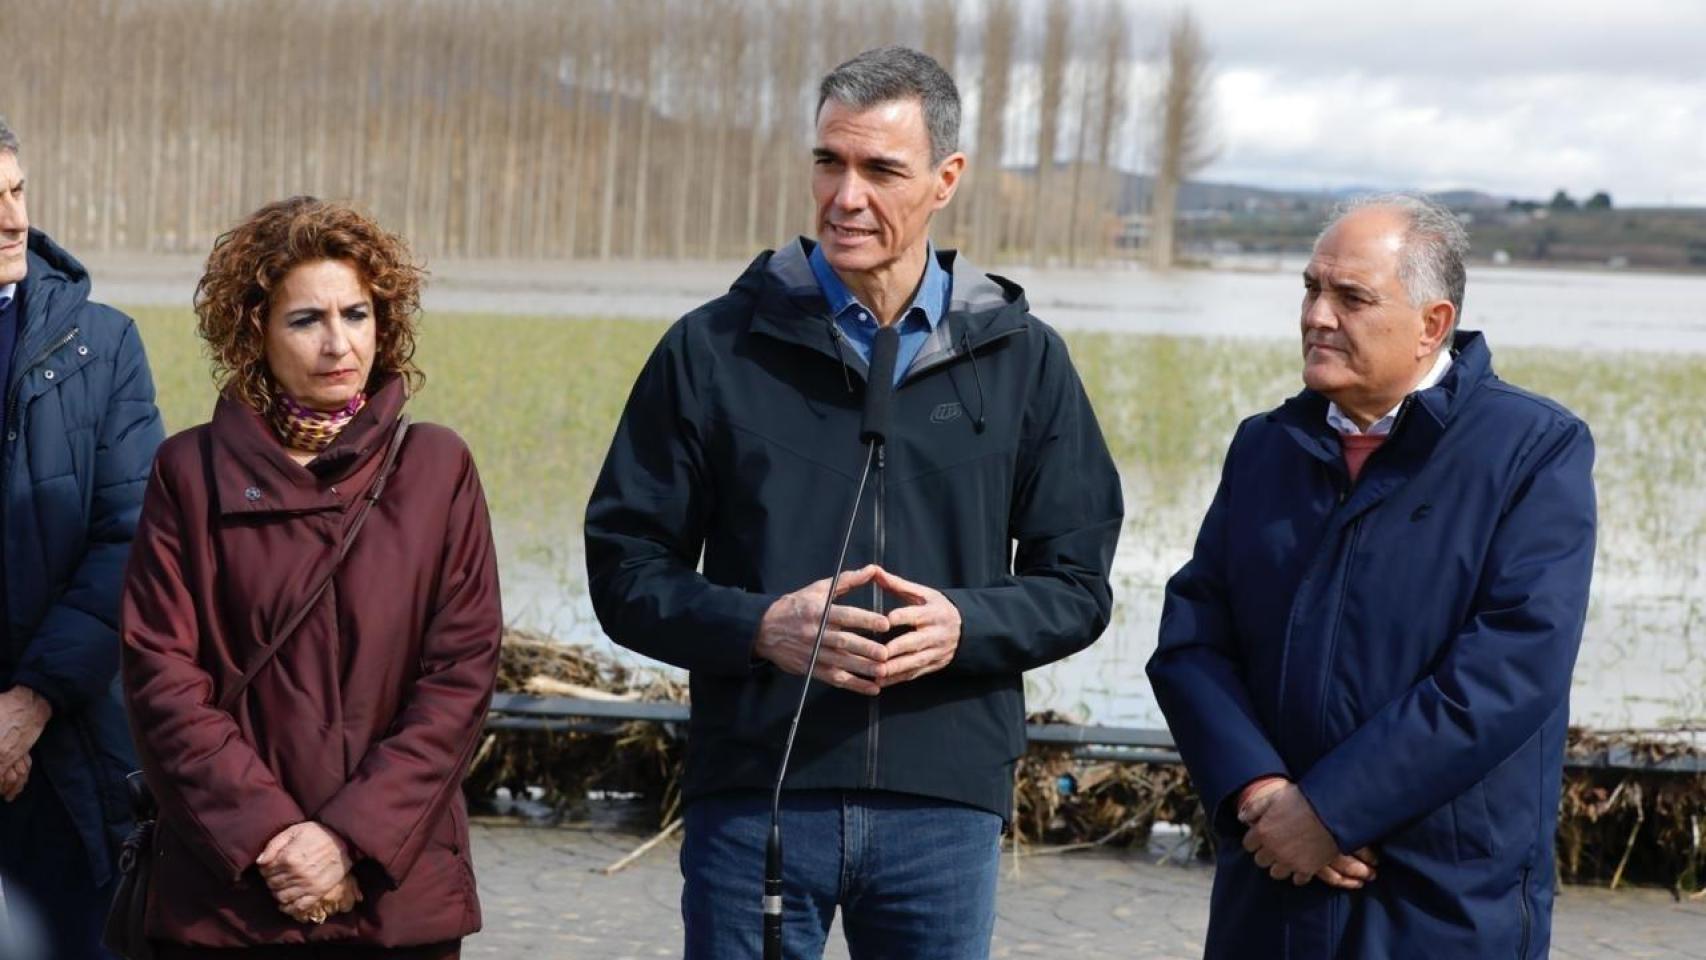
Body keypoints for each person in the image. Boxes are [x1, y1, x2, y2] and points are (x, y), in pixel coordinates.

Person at [586, 46, 1123, 958]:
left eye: (881, 170)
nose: (846, 196)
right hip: (757, 793)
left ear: (946, 179)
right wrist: (760, 628)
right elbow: (625, 566)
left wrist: (966, 624)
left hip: (944, 807)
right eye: (829, 162)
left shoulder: (1027, 361)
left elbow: (1077, 583)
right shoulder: (711, 350)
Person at [1147, 195, 1596, 959]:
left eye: (1351, 297)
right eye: (1310, 288)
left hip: (1441, 900)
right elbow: (1193, 640)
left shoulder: (1532, 449)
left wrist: (1332, 810)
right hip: (1274, 882)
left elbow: (1512, 667)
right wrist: (1259, 793)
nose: (1318, 316)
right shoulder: (1266, 447)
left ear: (1432, 323)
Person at [120, 197, 502, 957]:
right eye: (306, 320)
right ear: (253, 330)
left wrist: (349, 840)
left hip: (395, 895)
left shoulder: (437, 468)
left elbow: (460, 677)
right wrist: (276, 838)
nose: (338, 344)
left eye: (356, 315)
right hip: (228, 900)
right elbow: (161, 675)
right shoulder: (189, 474)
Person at [0, 115, 165, 960]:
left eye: (18, 190)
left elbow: (132, 540)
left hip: (74, 751)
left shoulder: (102, 346)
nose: (12, 219)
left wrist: (28, 706)